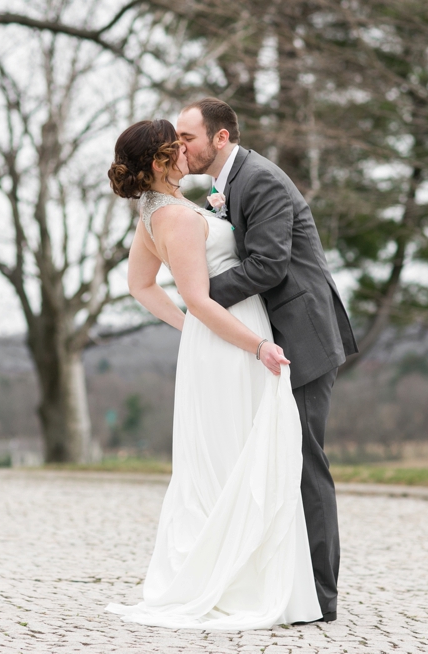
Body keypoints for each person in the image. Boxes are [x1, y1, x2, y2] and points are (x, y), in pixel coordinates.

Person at [104, 118, 323, 629]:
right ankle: (241, 584)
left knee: (237, 454)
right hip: (234, 344)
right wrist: (257, 345)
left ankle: (257, 575)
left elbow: (141, 286)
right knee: (238, 458)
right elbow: (197, 297)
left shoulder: (153, 212)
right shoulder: (176, 217)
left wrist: (192, 331)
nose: (185, 150)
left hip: (218, 341)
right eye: (175, 146)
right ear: (160, 162)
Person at [177, 99, 357, 622]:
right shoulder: (226, 184)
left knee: (303, 464)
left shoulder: (261, 181)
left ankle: (321, 597)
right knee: (273, 462)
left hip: (302, 340)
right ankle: (279, 582)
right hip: (268, 343)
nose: (180, 146)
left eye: (188, 137)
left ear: (222, 138)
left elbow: (271, 265)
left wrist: (201, 297)